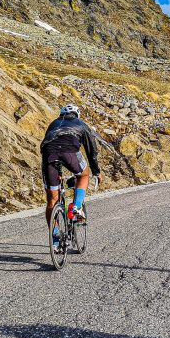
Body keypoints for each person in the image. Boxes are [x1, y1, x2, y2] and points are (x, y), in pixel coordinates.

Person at [40, 104, 102, 250]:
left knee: (52, 200)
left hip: (48, 154)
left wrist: (59, 173)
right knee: (83, 176)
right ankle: (76, 207)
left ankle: (55, 238)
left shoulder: (53, 124)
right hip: (70, 151)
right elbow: (91, 150)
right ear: (77, 115)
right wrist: (96, 172)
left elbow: (52, 145)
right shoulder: (81, 124)